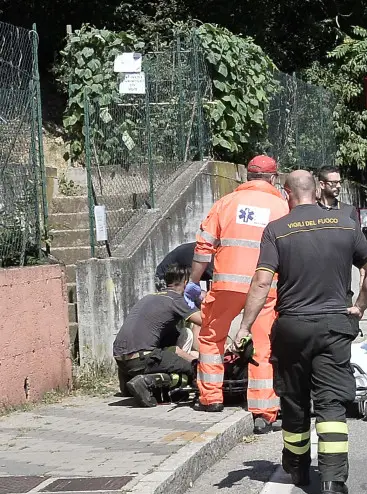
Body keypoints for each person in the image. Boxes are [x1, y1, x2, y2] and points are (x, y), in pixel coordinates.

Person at [234, 170, 367, 494]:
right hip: (333, 325)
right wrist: (360, 305)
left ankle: (298, 468)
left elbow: (261, 282)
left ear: (287, 193)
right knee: (331, 402)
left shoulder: (277, 230)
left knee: (294, 399)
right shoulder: (346, 223)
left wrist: (245, 326)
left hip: (293, 327)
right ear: (317, 191)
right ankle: (332, 481)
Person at [186, 155, 289, 434]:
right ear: (273, 178)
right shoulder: (281, 206)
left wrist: (194, 282)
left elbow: (203, 247)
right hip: (265, 287)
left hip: (226, 286)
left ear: (247, 175)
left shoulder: (226, 203)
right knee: (263, 344)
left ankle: (211, 399)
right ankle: (263, 411)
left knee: (210, 336)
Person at [113, 264, 201, 407]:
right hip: (143, 358)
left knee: (175, 343)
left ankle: (128, 383)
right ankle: (147, 381)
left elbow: (171, 345)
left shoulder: (149, 297)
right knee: (191, 369)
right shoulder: (176, 300)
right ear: (186, 283)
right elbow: (204, 321)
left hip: (121, 361)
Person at [317, 165, 363, 304]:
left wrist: (363, 272)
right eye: (333, 183)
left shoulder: (348, 211)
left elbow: (358, 245)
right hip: (315, 287)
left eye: (339, 182)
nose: (338, 186)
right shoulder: (311, 211)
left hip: (342, 289)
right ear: (322, 184)